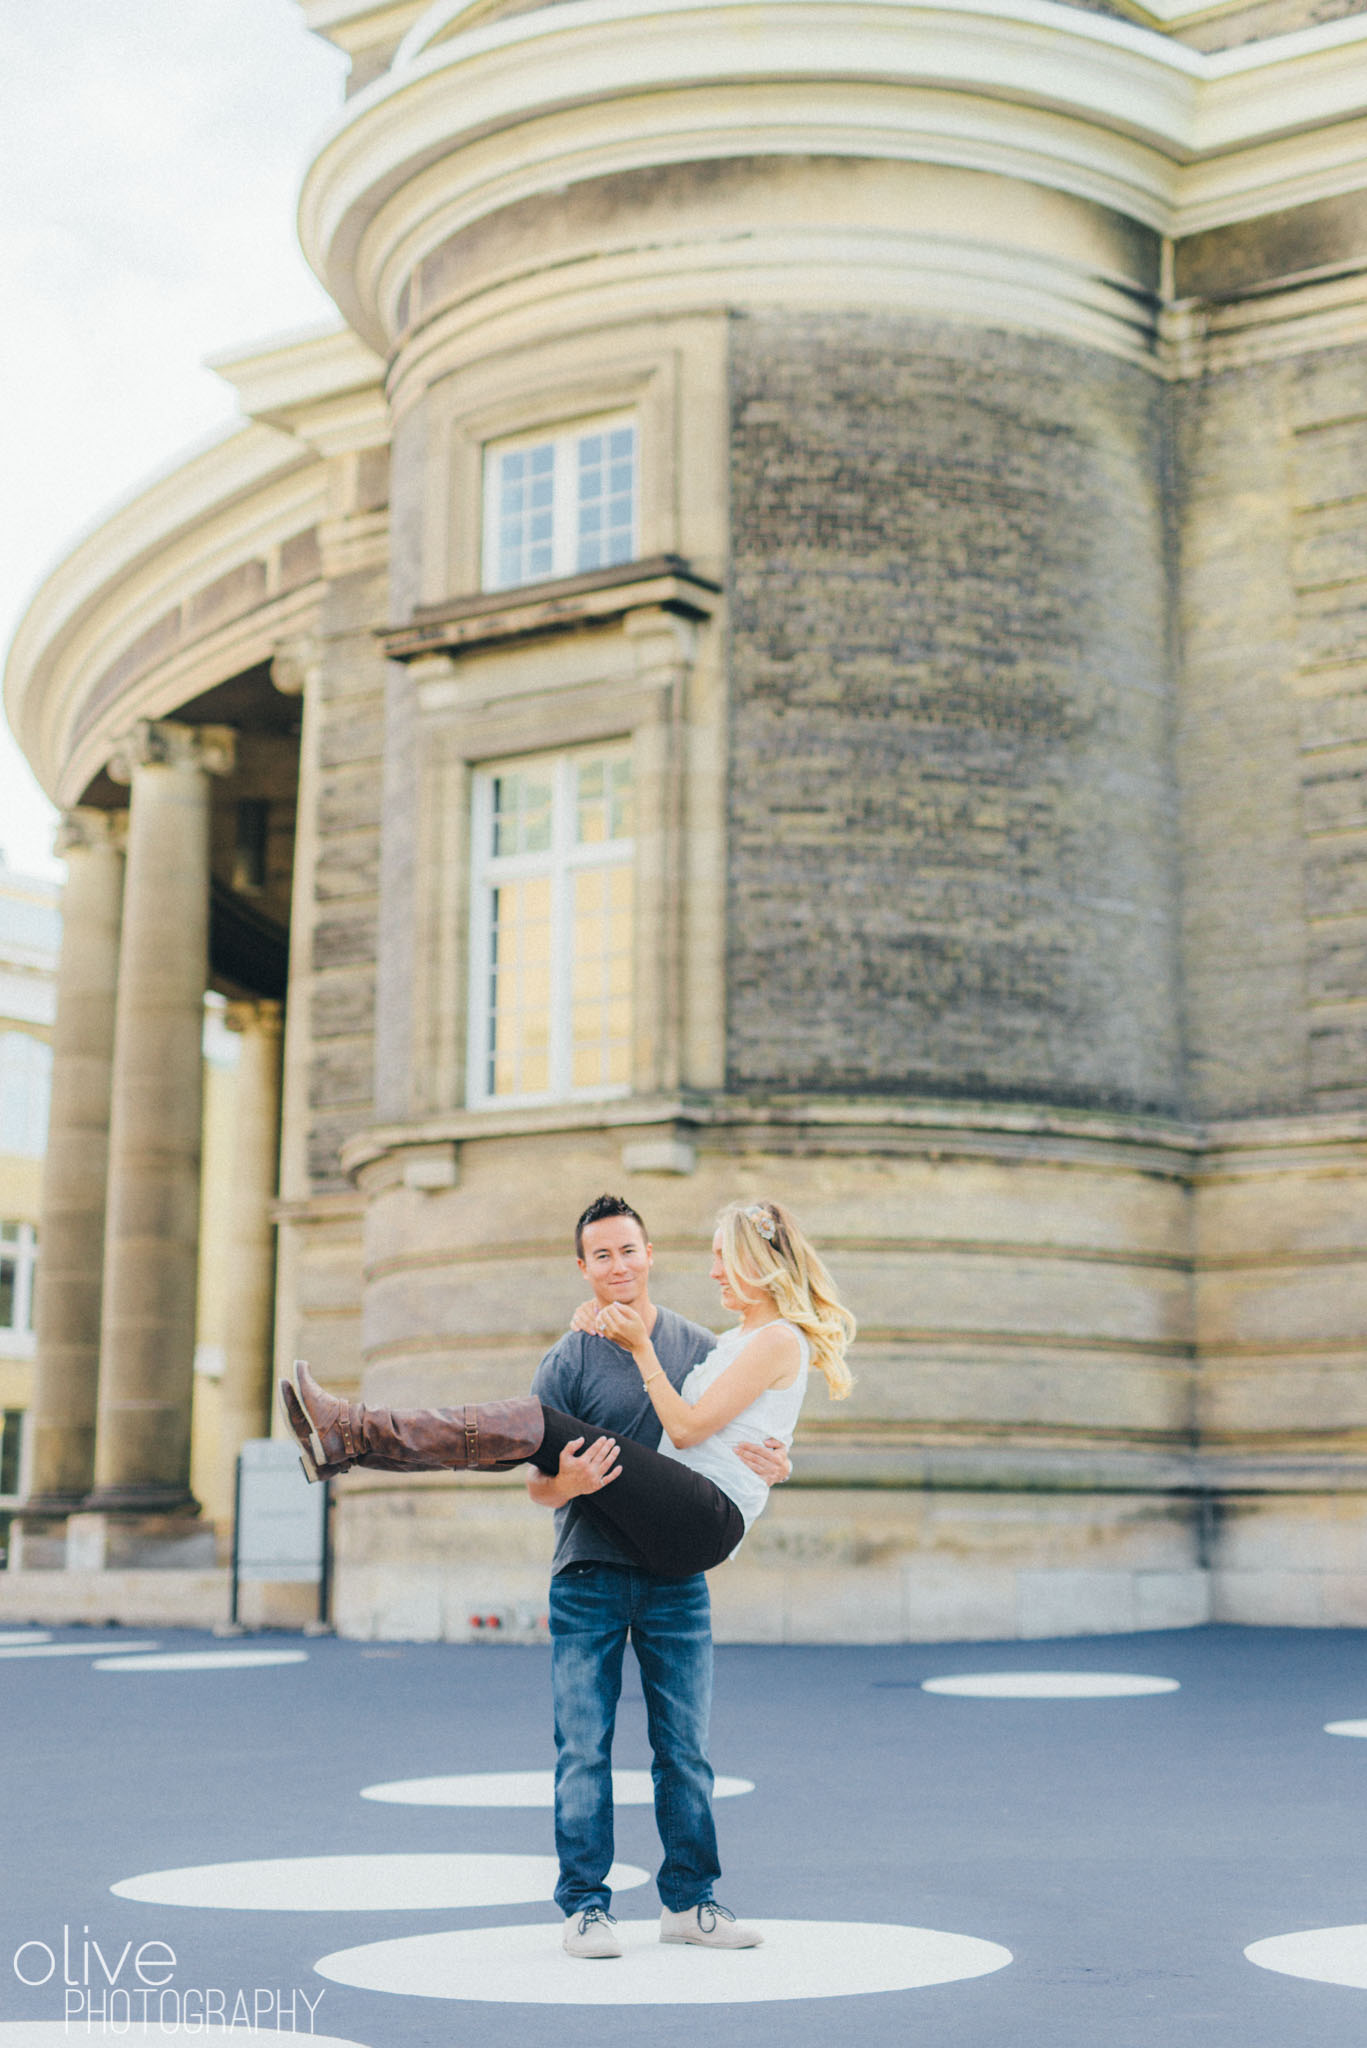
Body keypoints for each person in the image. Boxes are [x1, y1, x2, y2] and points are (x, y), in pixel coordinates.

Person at [279, 1195, 854, 1957]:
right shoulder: (588, 1351)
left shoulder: (696, 1341)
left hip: (680, 1559)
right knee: (583, 1747)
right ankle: (587, 1906)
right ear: (582, 1269)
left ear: (648, 1256)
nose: (621, 1266)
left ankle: (692, 1901)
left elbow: (698, 1427)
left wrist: (773, 1463)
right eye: (602, 1256)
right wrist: (571, 1485)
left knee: (683, 1750)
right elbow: (536, 1479)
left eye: (631, 1251)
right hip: (592, 1564)